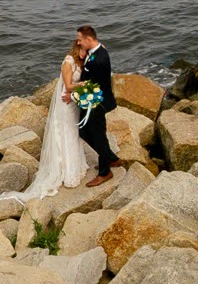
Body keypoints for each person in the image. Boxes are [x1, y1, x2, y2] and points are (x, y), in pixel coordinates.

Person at [10, 34, 91, 200]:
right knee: (67, 133)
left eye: (87, 51)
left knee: (75, 132)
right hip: (66, 104)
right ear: (77, 47)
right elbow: (68, 86)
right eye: (83, 50)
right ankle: (68, 172)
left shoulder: (83, 62)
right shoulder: (68, 62)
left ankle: (77, 165)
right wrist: (84, 85)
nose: (85, 54)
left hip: (74, 103)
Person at [73, 24, 118, 187]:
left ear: (89, 39)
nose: (78, 43)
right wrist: (84, 55)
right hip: (92, 100)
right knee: (83, 132)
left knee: (99, 136)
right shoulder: (96, 52)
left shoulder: (99, 59)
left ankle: (105, 172)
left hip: (97, 102)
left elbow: (91, 84)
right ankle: (111, 157)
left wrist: (70, 92)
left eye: (80, 40)